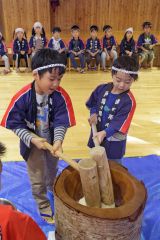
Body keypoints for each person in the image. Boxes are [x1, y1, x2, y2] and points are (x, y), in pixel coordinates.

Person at [0, 48, 76, 224]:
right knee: (36, 175)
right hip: (31, 144)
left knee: (51, 169)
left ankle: (52, 188)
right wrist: (33, 139)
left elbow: (60, 121)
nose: (56, 84)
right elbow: (14, 124)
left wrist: (57, 141)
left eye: (59, 79)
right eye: (51, 79)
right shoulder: (22, 98)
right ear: (36, 75)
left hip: (52, 143)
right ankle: (42, 204)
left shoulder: (60, 96)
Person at [86, 56, 139, 164]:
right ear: (112, 74)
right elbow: (93, 104)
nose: (121, 85)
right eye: (118, 80)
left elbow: (118, 123)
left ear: (133, 80)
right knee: (96, 162)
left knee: (114, 166)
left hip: (114, 141)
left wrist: (105, 133)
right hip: (98, 133)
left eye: (127, 82)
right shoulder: (101, 88)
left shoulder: (129, 102)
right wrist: (93, 113)